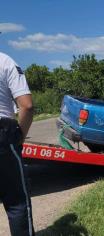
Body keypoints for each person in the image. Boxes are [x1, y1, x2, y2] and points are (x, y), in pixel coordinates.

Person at [0, 52, 34, 235]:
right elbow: (27, 106)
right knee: (17, 202)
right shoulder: (5, 61)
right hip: (2, 134)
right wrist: (19, 137)